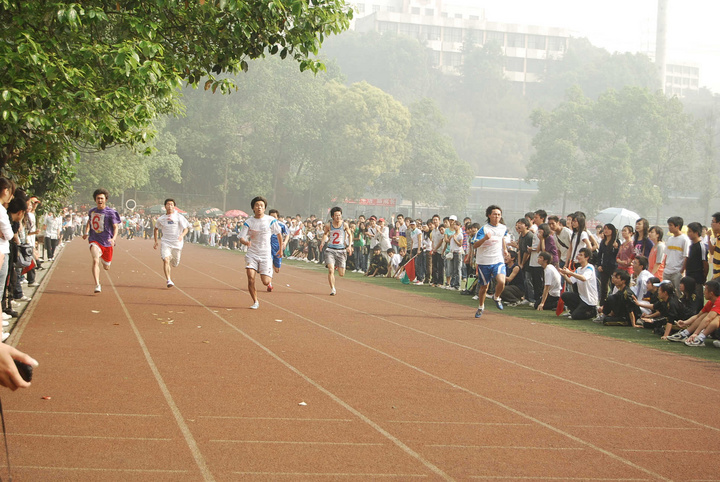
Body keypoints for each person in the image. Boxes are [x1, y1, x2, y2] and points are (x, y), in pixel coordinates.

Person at [237, 197, 283, 309]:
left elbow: (279, 234)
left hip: (265, 254)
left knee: (265, 282)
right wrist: (246, 242)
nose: (259, 207)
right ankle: (255, 301)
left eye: (261, 205)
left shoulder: (270, 220)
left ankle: (268, 278)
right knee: (250, 277)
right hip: (252, 253)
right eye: (257, 205)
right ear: (253, 207)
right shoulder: (249, 222)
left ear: (265, 208)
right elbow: (241, 237)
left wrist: (280, 249)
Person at [471, 205, 509, 318]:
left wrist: (505, 250)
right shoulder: (484, 229)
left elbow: (502, 238)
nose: (497, 216)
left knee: (501, 281)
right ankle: (481, 306)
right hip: (484, 261)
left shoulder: (503, 228)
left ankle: (496, 297)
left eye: (499, 214)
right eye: (494, 214)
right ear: (489, 215)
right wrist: (484, 238)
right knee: (484, 286)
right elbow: (475, 245)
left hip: (498, 259)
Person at [82, 189, 121, 294]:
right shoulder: (92, 211)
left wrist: (113, 239)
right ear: (95, 199)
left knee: (106, 267)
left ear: (106, 200)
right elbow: (89, 222)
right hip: (94, 240)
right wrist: (86, 232)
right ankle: (97, 284)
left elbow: (115, 227)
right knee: (95, 260)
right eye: (98, 198)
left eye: (102, 198)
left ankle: (106, 262)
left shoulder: (111, 213)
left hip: (107, 242)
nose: (100, 200)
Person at [668, 280, 720, 347]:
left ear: (711, 293)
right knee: (705, 314)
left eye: (705, 289)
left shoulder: (719, 301)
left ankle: (701, 338)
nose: (703, 292)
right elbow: (698, 316)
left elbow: (709, 319)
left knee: (717, 317)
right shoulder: (711, 302)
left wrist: (696, 333)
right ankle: (685, 334)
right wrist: (685, 322)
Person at [153, 199, 190, 288]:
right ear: (165, 206)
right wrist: (155, 241)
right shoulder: (161, 219)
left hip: (177, 243)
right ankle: (169, 280)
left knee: (175, 263)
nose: (170, 206)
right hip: (166, 242)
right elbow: (156, 228)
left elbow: (186, 229)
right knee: (166, 260)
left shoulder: (179, 217)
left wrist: (181, 235)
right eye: (168, 204)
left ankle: (173, 260)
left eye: (171, 204)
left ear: (174, 206)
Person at [559, 248, 598, 320]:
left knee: (575, 316)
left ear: (587, 257)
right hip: (581, 297)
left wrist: (570, 273)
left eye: (581, 255)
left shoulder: (590, 267)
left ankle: (592, 312)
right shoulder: (579, 269)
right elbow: (570, 281)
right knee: (565, 295)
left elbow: (583, 278)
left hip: (589, 300)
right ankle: (574, 311)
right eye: (578, 255)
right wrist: (564, 274)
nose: (578, 257)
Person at [321, 206, 353, 296]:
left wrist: (349, 246)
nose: (338, 217)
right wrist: (322, 243)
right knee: (331, 270)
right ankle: (333, 289)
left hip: (341, 250)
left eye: (339, 215)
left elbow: (350, 234)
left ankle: (335, 265)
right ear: (332, 216)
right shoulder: (328, 225)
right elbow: (325, 234)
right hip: (330, 250)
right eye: (336, 215)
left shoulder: (345, 225)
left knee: (341, 273)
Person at [663, 216, 690, 291]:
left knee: (678, 292)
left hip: (677, 272)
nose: (669, 227)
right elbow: (666, 254)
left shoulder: (684, 239)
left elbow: (686, 256)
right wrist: (665, 267)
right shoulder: (670, 239)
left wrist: (681, 271)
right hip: (667, 271)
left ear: (678, 226)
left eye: (671, 225)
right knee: (666, 292)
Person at [267, 209, 289, 291]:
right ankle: (269, 284)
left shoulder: (281, 225)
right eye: (271, 216)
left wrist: (285, 242)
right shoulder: (265, 224)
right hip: (268, 247)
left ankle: (272, 266)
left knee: (277, 269)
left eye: (274, 217)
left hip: (278, 248)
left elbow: (287, 234)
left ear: (277, 217)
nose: (272, 218)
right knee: (269, 264)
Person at [597, 224, 619, 305]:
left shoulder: (616, 242)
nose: (606, 231)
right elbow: (600, 255)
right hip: (604, 267)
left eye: (608, 229)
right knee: (603, 288)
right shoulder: (603, 242)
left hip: (613, 267)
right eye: (605, 229)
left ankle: (613, 305)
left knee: (614, 287)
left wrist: (616, 248)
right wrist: (599, 265)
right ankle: (602, 305)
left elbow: (617, 255)